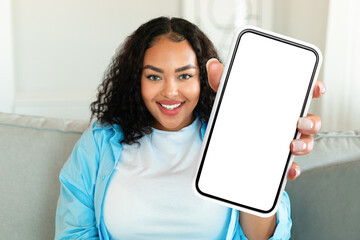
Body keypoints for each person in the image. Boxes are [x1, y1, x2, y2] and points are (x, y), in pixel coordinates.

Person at [55, 17, 325, 240]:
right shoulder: (99, 143)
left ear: (203, 79)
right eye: (154, 76)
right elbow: (74, 234)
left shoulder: (232, 138)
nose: (170, 91)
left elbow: (263, 238)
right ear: (135, 81)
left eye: (184, 75)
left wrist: (260, 160)